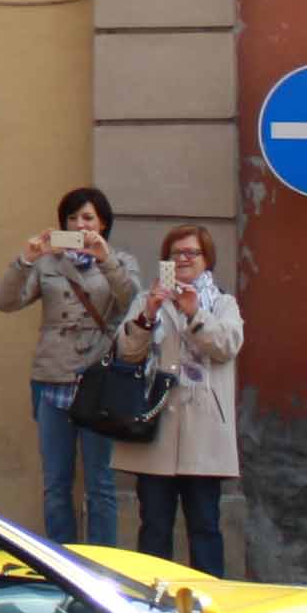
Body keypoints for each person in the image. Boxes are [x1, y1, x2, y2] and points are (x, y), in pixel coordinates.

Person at [0, 186, 131, 544]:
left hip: (96, 378)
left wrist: (106, 260)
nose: (80, 225)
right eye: (72, 218)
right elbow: (5, 302)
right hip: (51, 376)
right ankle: (62, 558)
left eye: (88, 217)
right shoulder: (47, 263)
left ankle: (104, 564)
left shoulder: (120, 261)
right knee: (56, 482)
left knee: (101, 483)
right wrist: (25, 259)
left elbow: (132, 301)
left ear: (103, 224)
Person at [115, 224, 243, 574]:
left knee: (204, 527)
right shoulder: (146, 299)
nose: (184, 259)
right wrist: (149, 313)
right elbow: (126, 353)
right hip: (156, 430)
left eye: (192, 253)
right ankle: (154, 602)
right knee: (154, 528)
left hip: (204, 435)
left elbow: (227, 346)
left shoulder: (221, 301)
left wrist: (194, 313)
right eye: (176, 253)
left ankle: (212, 598)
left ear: (206, 259)